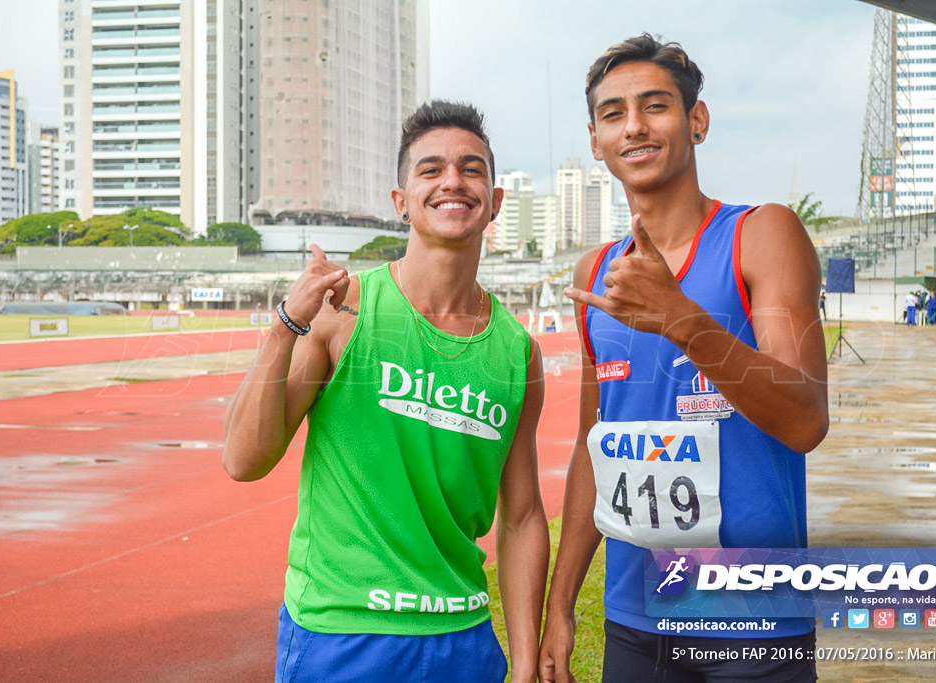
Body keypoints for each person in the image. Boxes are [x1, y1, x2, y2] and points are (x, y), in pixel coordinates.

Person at [223, 100, 549, 683]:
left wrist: (524, 661)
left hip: (462, 637)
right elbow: (244, 460)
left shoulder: (518, 352)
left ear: (494, 200)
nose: (453, 180)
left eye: (472, 169)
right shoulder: (342, 312)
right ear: (401, 203)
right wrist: (283, 328)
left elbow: (522, 517)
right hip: (343, 633)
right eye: (431, 169)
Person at [538, 34, 829, 682]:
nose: (634, 126)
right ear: (594, 139)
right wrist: (560, 604)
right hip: (637, 621)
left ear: (696, 120)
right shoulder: (595, 273)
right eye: (613, 113)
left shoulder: (762, 235)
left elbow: (806, 418)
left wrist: (682, 320)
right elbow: (596, 447)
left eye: (655, 106)